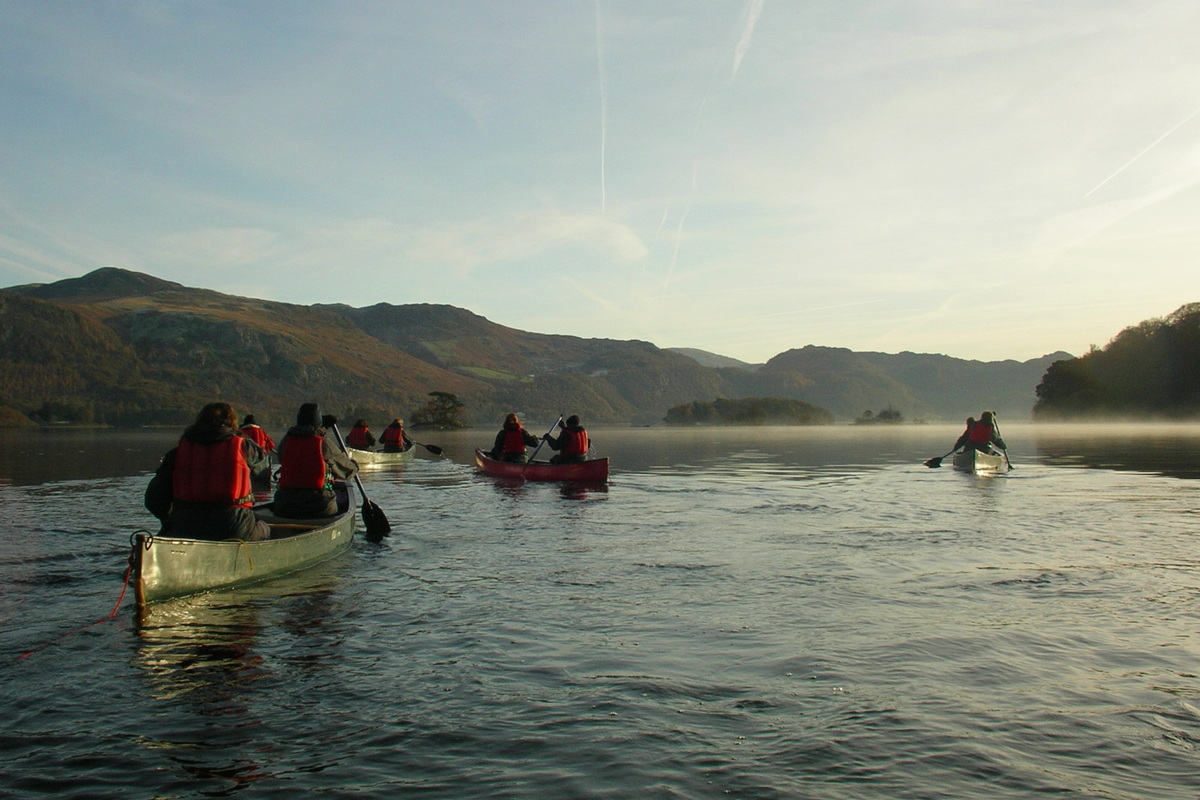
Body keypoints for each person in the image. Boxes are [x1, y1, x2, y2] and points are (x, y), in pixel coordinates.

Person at [144, 402, 272, 541]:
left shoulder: (176, 454)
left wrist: (169, 520)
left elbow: (154, 500)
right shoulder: (244, 447)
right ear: (232, 422)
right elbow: (262, 466)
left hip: (185, 527)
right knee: (265, 528)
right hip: (233, 527)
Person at [272, 403, 359, 518]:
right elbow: (348, 470)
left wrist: (320, 426)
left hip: (285, 505)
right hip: (319, 506)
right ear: (319, 422)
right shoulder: (324, 443)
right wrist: (355, 465)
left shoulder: (286, 441)